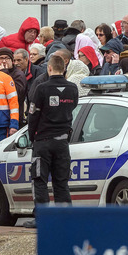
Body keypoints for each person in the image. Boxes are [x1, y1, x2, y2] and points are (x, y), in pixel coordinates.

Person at [26, 54, 79, 228]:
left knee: (40, 180)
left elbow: (33, 116)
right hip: (63, 143)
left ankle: (42, 218)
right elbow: (72, 108)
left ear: (49, 68)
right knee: (61, 181)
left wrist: (32, 137)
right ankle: (66, 218)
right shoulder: (73, 89)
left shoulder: (42, 88)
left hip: (43, 141)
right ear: (64, 69)